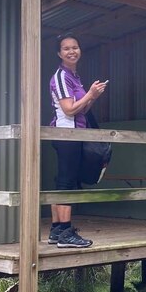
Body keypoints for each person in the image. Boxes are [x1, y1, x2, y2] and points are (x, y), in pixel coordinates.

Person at [48, 33, 107, 248]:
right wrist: (89, 93)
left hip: (75, 133)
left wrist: (92, 96)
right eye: (66, 48)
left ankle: (56, 230)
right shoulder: (61, 76)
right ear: (59, 53)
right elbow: (69, 109)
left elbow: (82, 108)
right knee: (67, 182)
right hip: (66, 134)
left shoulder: (74, 76)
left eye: (75, 47)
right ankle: (65, 233)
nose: (72, 51)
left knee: (64, 179)